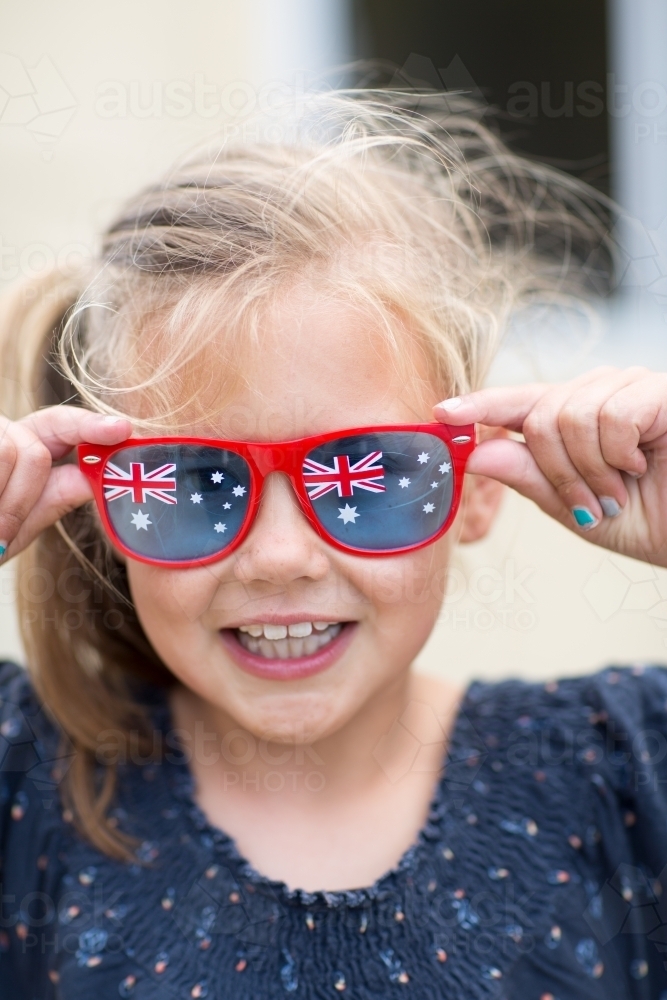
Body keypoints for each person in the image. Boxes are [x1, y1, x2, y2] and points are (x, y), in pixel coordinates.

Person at [0, 90, 666, 1000]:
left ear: (473, 486)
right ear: (102, 505)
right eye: (194, 482)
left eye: (364, 476)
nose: (280, 558)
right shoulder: (27, 783)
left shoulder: (626, 772)